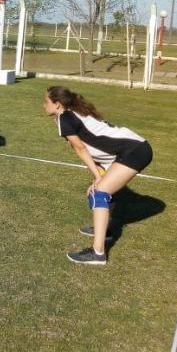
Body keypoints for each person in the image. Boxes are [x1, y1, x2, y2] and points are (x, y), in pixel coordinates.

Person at [43, 85, 154, 266]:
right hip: (131, 149)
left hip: (135, 151)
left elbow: (80, 148)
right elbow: (93, 147)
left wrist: (98, 176)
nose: (43, 105)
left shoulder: (65, 118)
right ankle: (105, 230)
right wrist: (98, 174)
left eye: (46, 101)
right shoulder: (72, 113)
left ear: (57, 104)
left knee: (99, 193)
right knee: (101, 192)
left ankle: (98, 253)